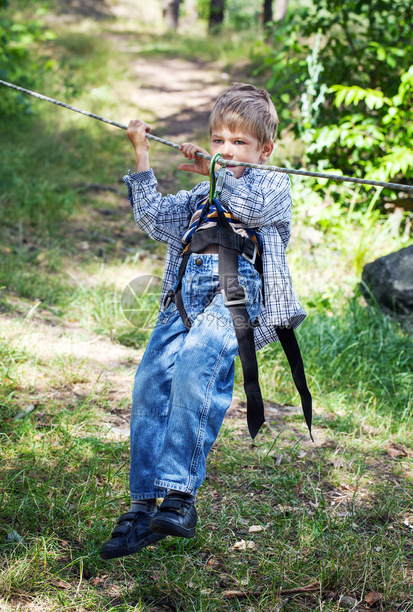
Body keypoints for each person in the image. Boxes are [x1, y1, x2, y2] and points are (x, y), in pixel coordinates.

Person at [100, 83, 308, 560]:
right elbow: (155, 219)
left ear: (265, 149)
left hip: (237, 294)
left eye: (239, 143)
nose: (227, 151)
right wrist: (142, 154)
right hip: (184, 296)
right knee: (150, 382)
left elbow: (250, 209)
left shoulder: (273, 185)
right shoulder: (198, 194)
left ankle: (179, 494)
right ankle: (142, 509)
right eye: (219, 141)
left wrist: (218, 176)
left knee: (198, 359)